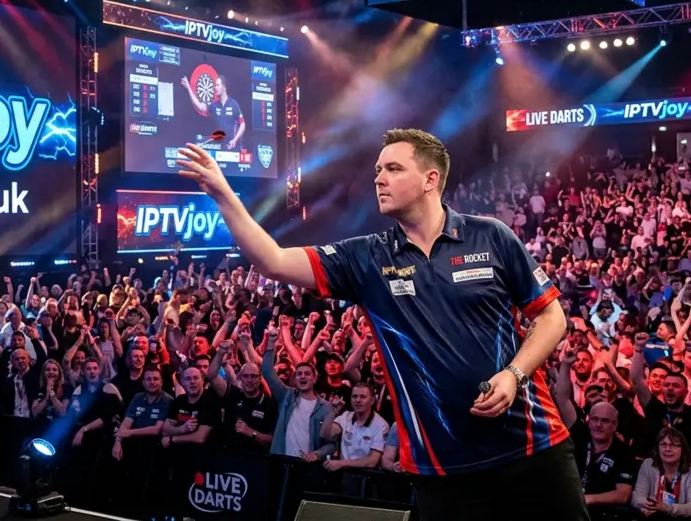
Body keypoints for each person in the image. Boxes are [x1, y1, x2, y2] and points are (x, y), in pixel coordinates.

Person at [175, 129, 587, 521]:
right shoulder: (366, 258)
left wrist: (515, 374)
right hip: (441, 469)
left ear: (430, 179)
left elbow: (552, 317)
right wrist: (223, 193)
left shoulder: (491, 236)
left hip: (532, 448)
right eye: (377, 170)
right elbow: (273, 261)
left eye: (392, 168)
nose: (379, 178)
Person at [630, 427, 691, 518]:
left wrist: (666, 508)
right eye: (663, 444)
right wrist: (645, 506)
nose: (668, 449)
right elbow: (637, 496)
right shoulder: (648, 465)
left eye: (673, 445)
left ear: (682, 449)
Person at [180, 74, 245, 151]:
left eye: (217, 85)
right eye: (215, 85)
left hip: (232, 147)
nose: (215, 88)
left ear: (224, 88)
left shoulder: (233, 104)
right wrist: (188, 88)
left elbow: (242, 124)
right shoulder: (214, 105)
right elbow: (200, 106)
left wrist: (235, 140)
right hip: (218, 147)